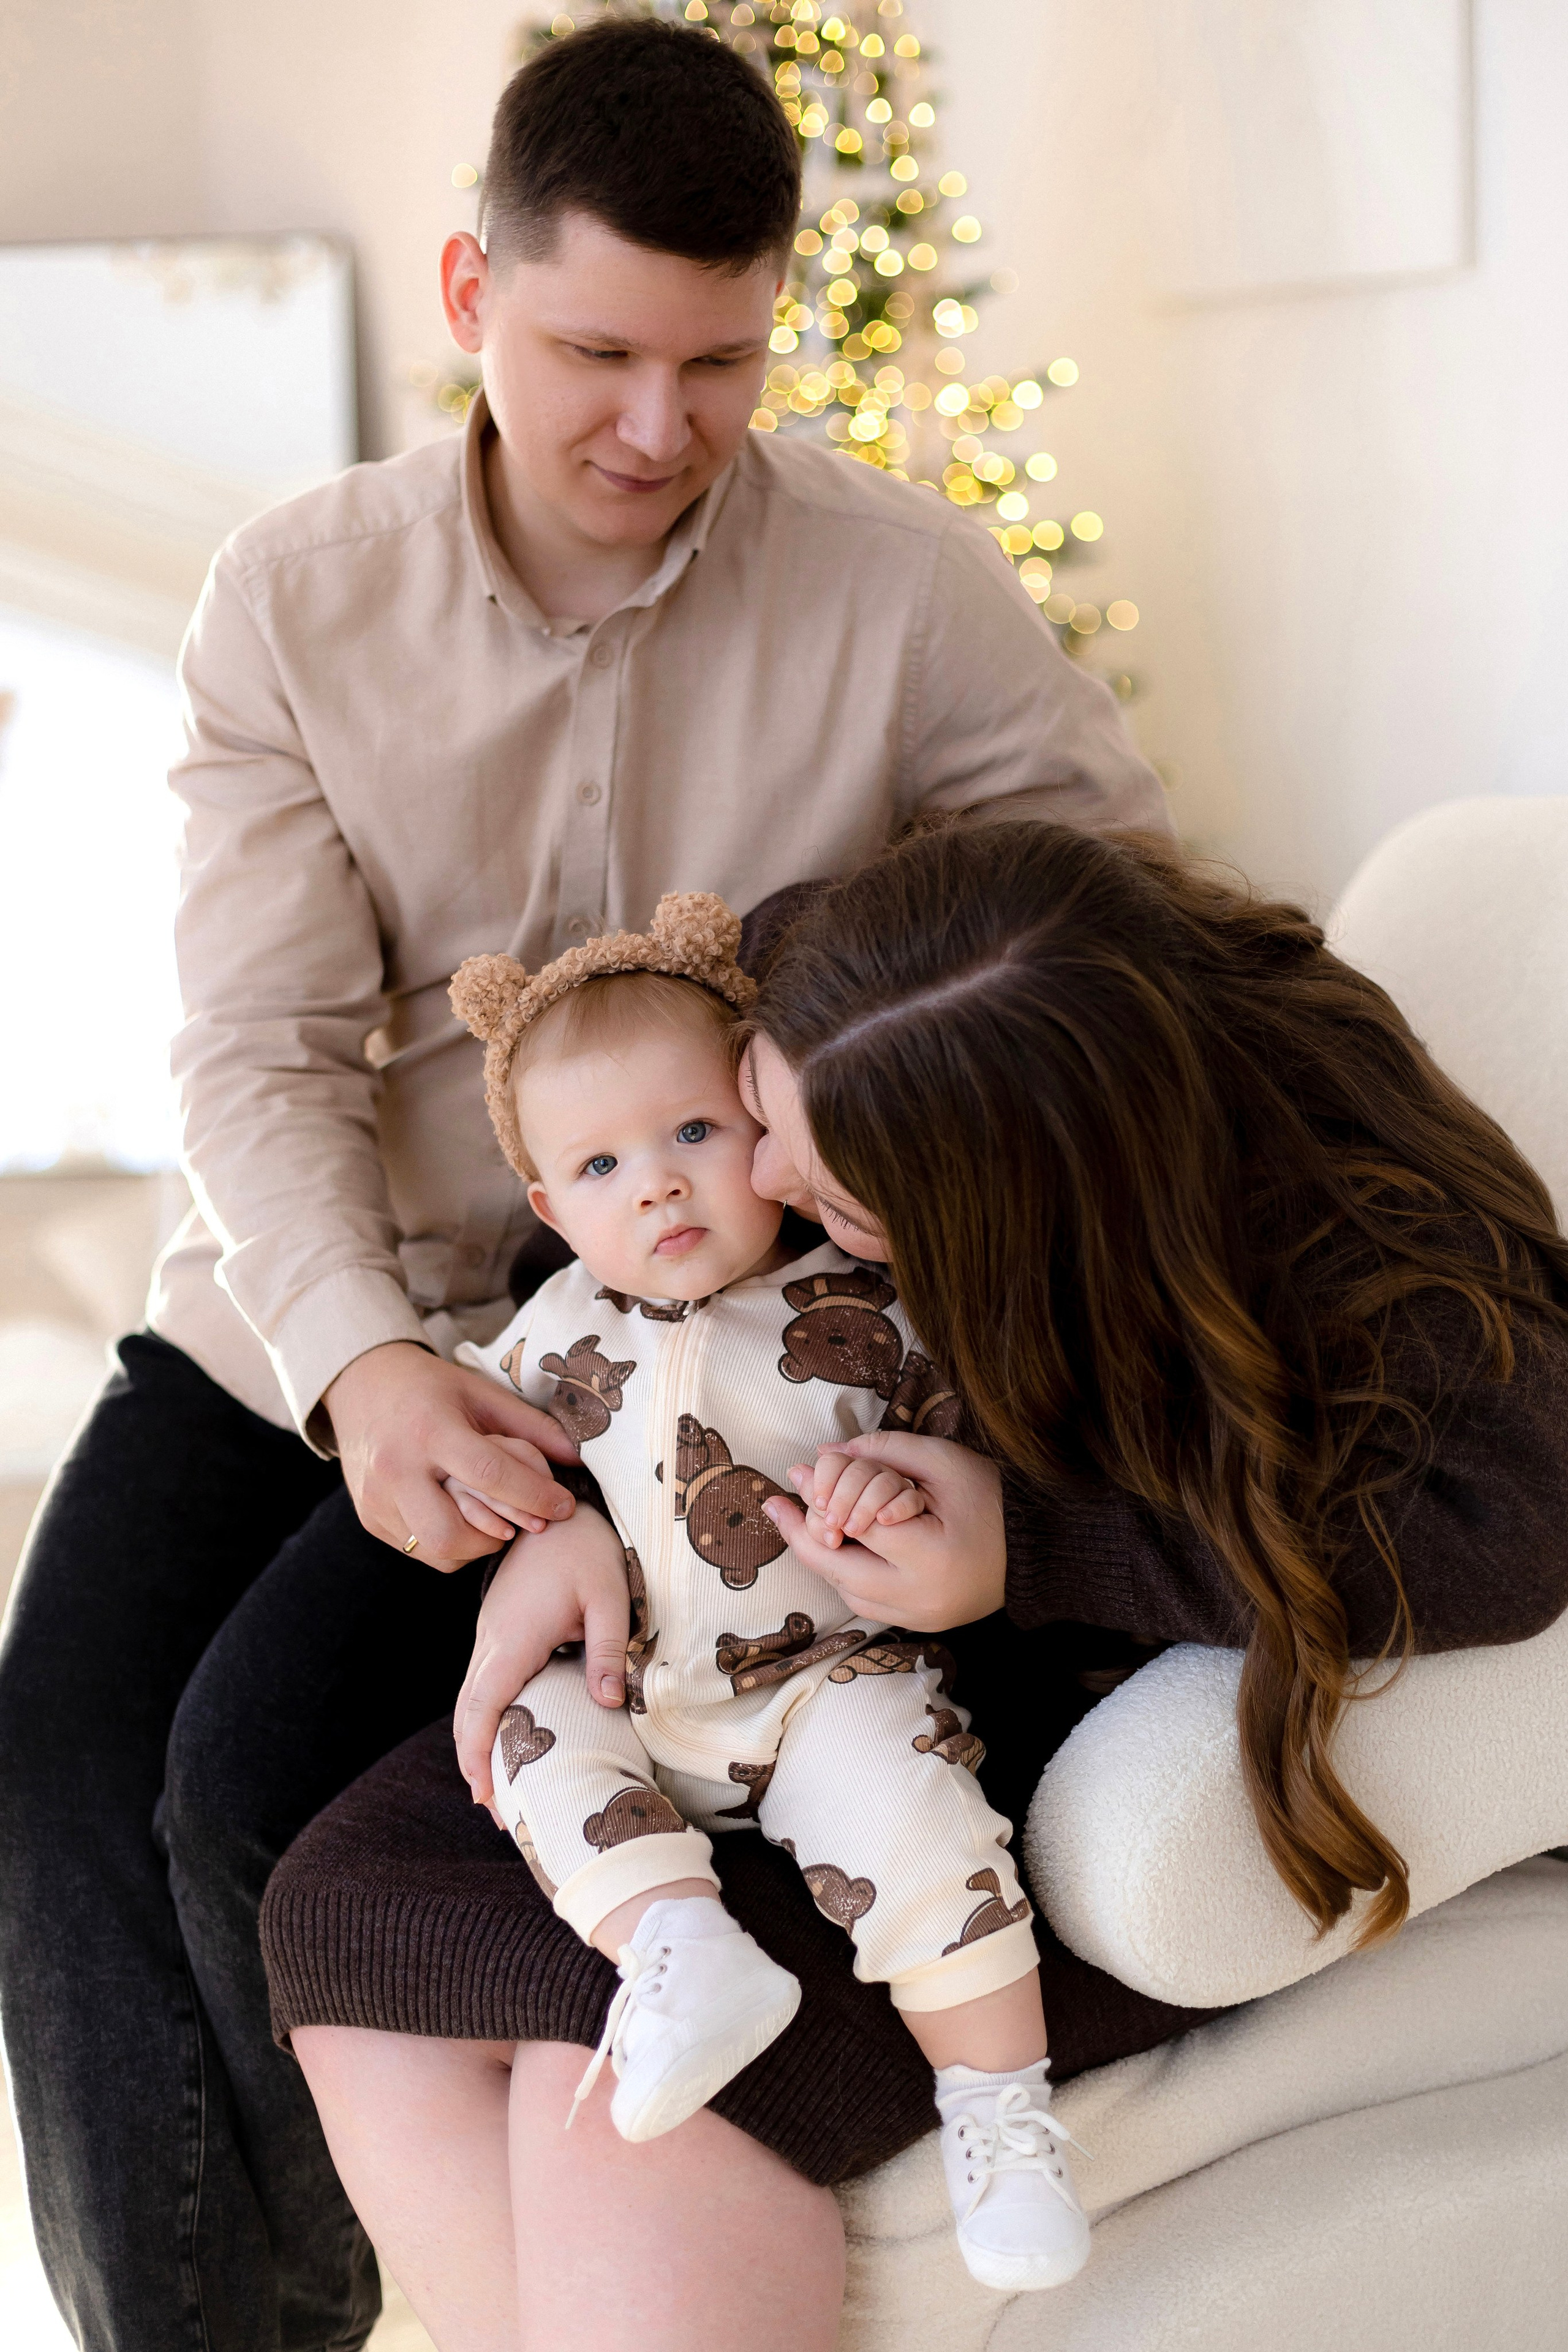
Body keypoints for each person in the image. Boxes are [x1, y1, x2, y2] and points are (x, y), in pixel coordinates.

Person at [0, 20, 1164, 2352]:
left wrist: (893, 1205)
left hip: (689, 1336)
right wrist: (366, 1371)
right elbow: (254, 1054)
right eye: (595, 351)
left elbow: (1107, 915)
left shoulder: (903, 586)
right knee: (54, 1772)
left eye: (718, 360)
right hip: (326, 1291)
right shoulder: (290, 597)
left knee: (241, 1786)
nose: (658, 425)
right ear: (469, 289)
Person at [276, 820, 1568, 2352]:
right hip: (729, 1625)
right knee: (343, 1907)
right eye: (753, 1110)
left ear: (1009, 1231)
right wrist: (564, 1517)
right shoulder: (853, 972)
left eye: (822, 1192)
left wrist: (1032, 1543)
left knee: (608, 2084)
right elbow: (633, 1221)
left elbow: (1507, 1530)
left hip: (962, 1712)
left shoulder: (1357, 1263)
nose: (741, 1178)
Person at [441, 891, 1088, 2293]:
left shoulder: (873, 1303)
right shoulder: (553, 1334)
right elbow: (471, 1462)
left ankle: (999, 2109)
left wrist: (909, 1486)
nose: (658, 1187)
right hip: (635, 1690)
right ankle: (675, 1942)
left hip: (825, 1683)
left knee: (919, 1820)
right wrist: (526, 1535)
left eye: (689, 1136)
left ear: (767, 1135)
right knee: (521, 1734)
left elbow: (998, 1466)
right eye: (602, 1166)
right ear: (551, 1209)